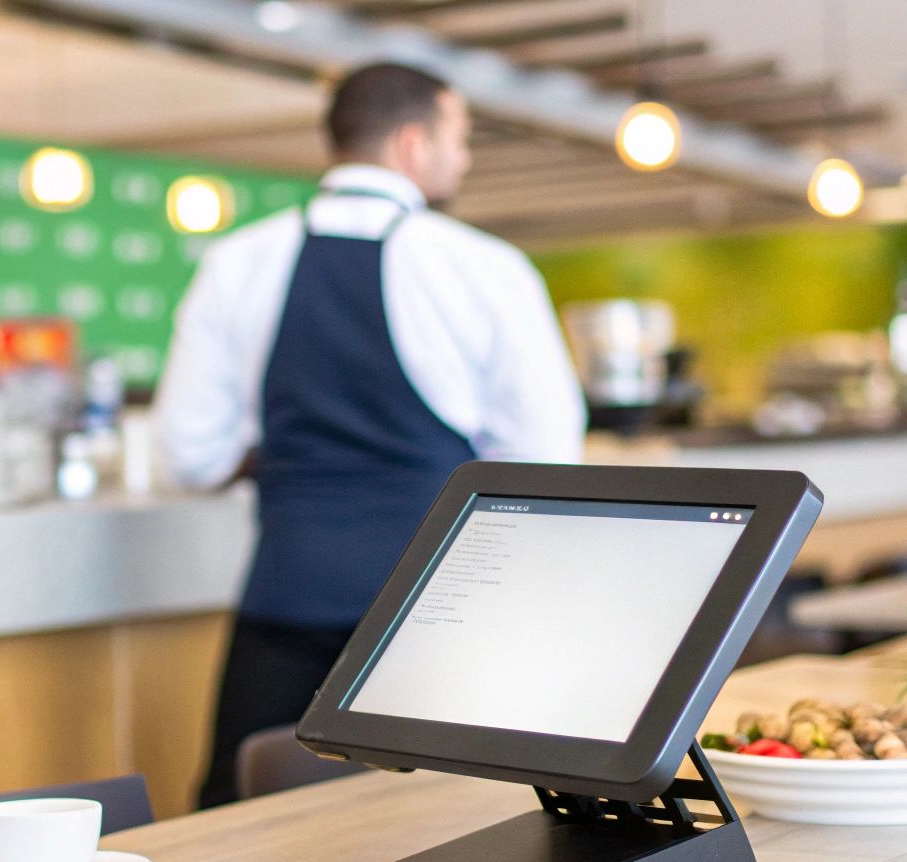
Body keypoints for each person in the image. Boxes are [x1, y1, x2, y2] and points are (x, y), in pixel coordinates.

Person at [154, 63, 587, 808]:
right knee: (444, 826)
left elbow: (188, 456)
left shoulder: (236, 263)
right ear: (414, 144)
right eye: (461, 138)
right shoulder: (483, 267)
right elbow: (546, 460)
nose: (465, 158)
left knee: (238, 840)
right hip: (439, 614)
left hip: (283, 606)